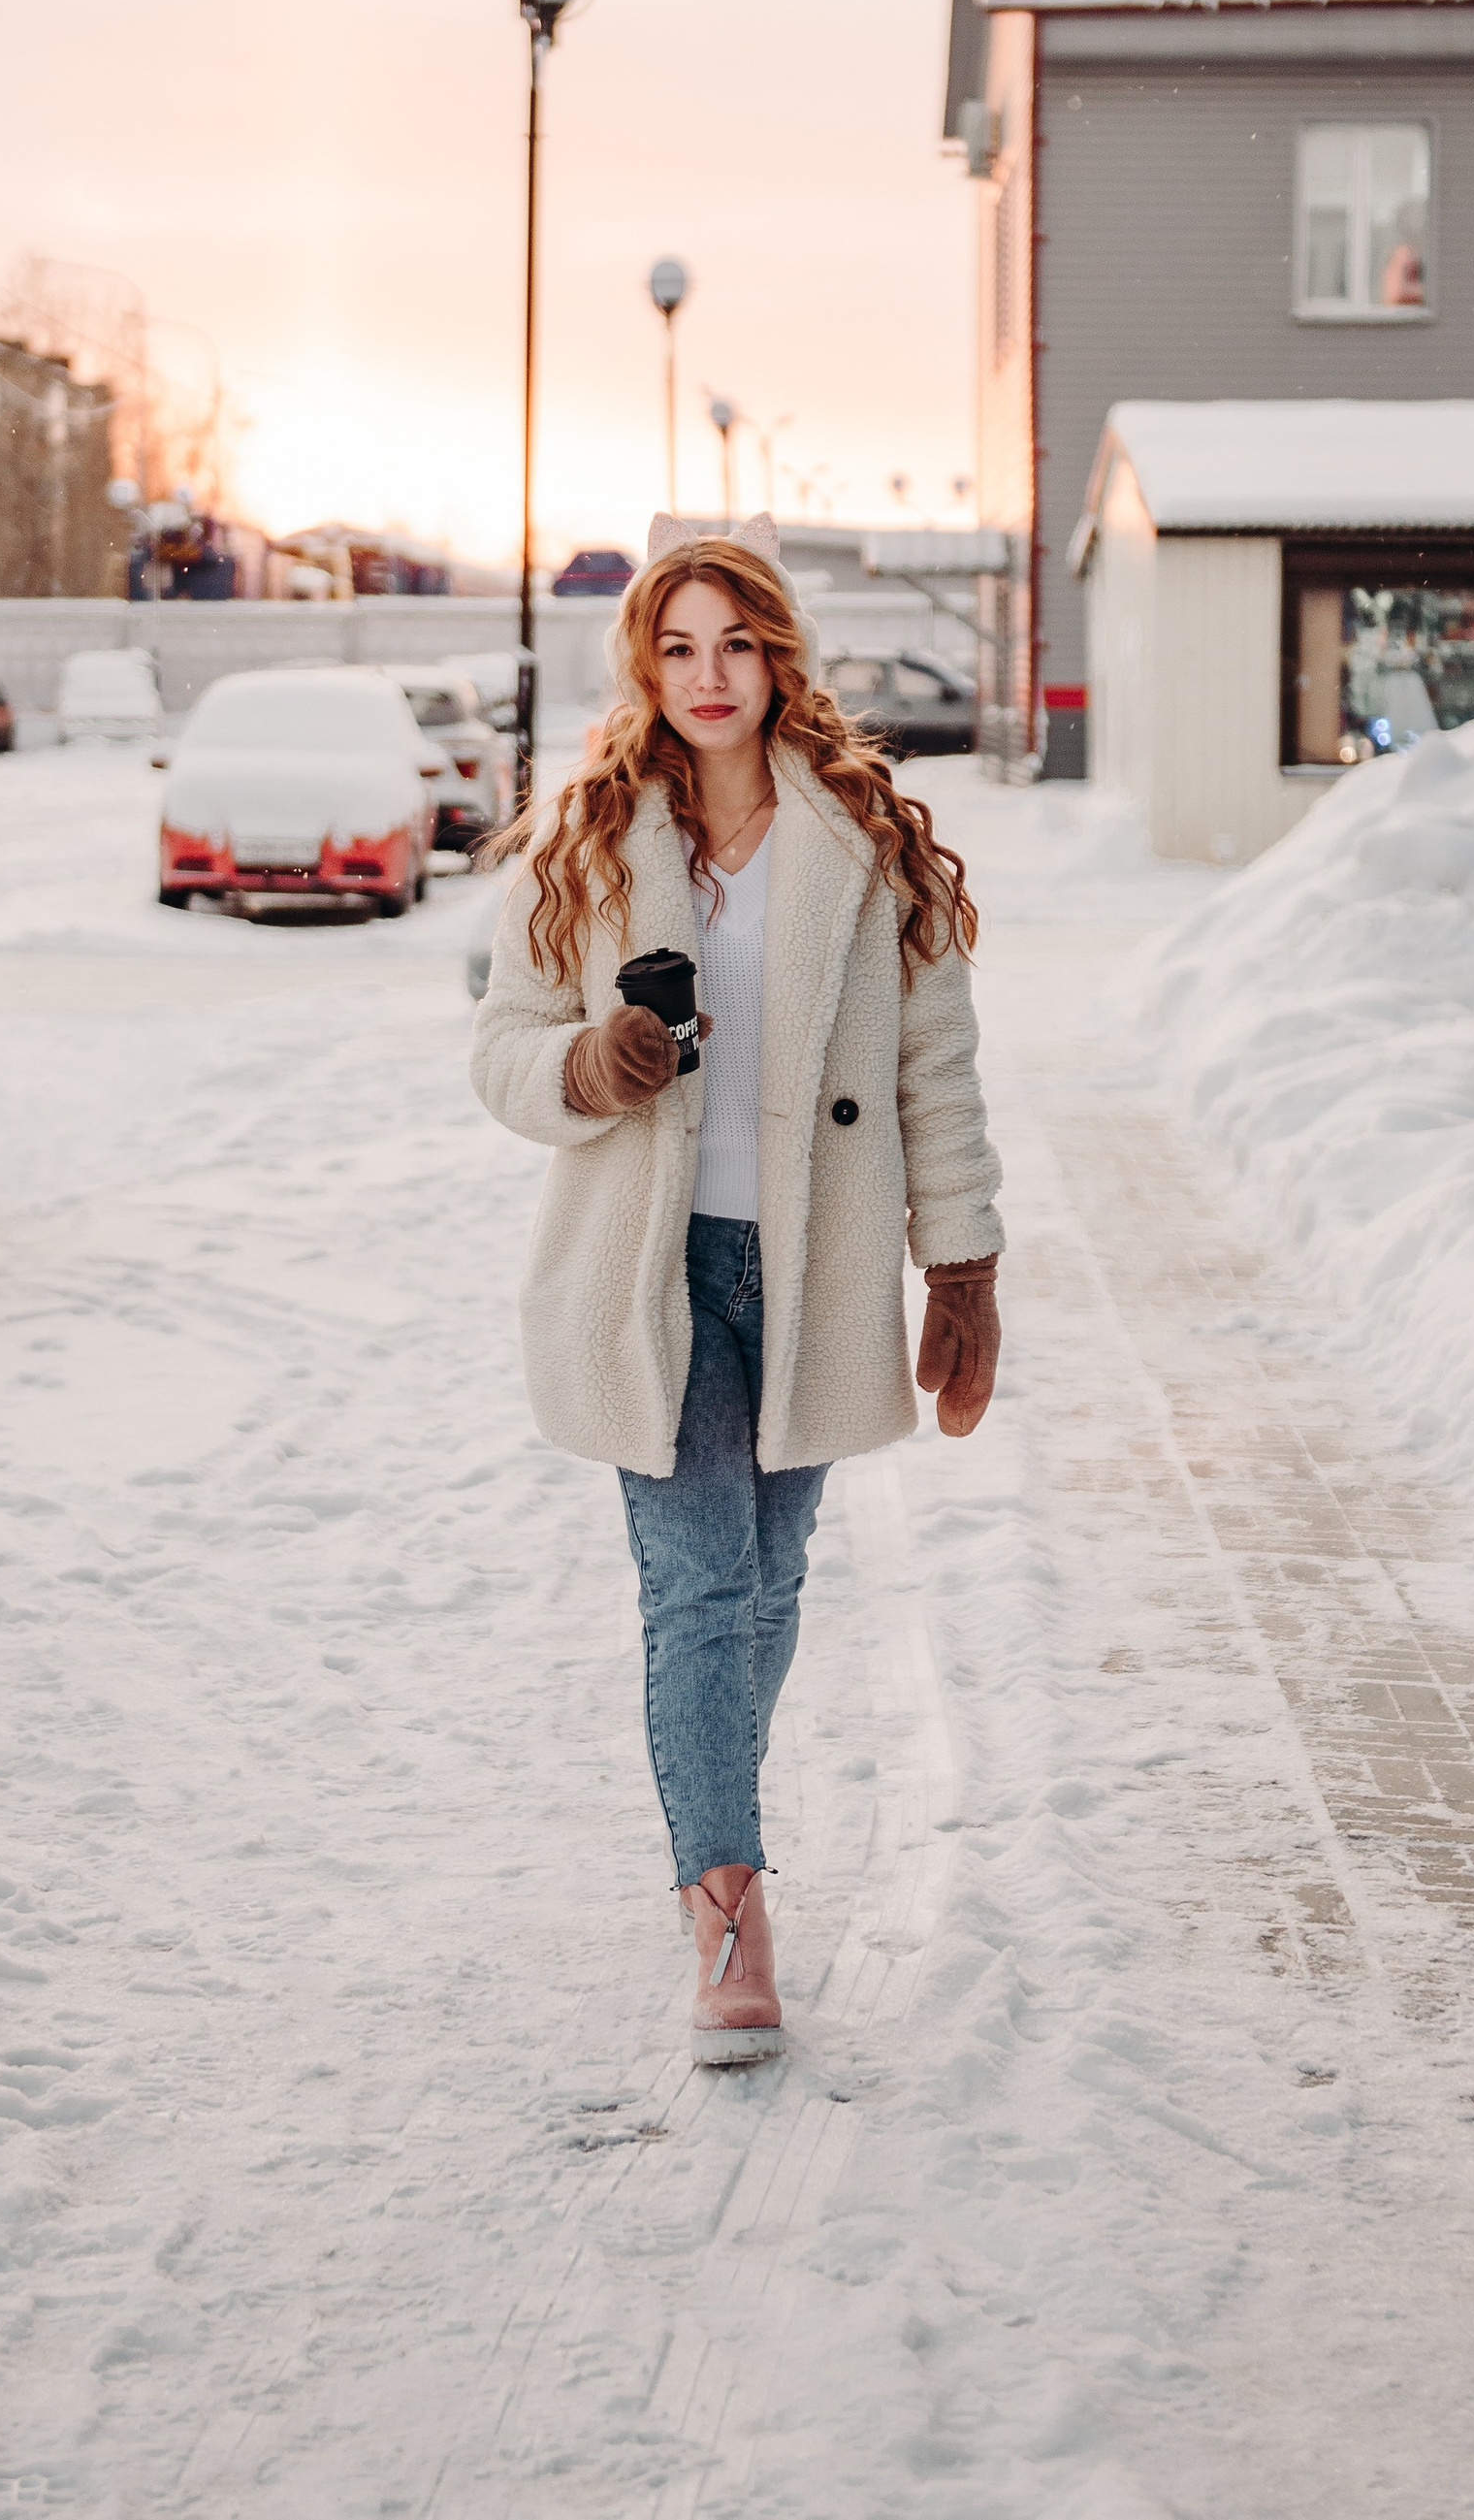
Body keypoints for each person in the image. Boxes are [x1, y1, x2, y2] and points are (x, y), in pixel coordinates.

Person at [471, 516, 1003, 2063]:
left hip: (813, 1263)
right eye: (680, 645)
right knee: (699, 1591)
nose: (710, 676)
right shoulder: (585, 838)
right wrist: (595, 1059)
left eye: (739, 642)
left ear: (782, 654)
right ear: (647, 658)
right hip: (652, 1277)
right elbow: (503, 1050)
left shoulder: (865, 840)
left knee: (766, 1589)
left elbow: (936, 1072)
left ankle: (711, 1810)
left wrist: (958, 1259)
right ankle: (727, 1910)